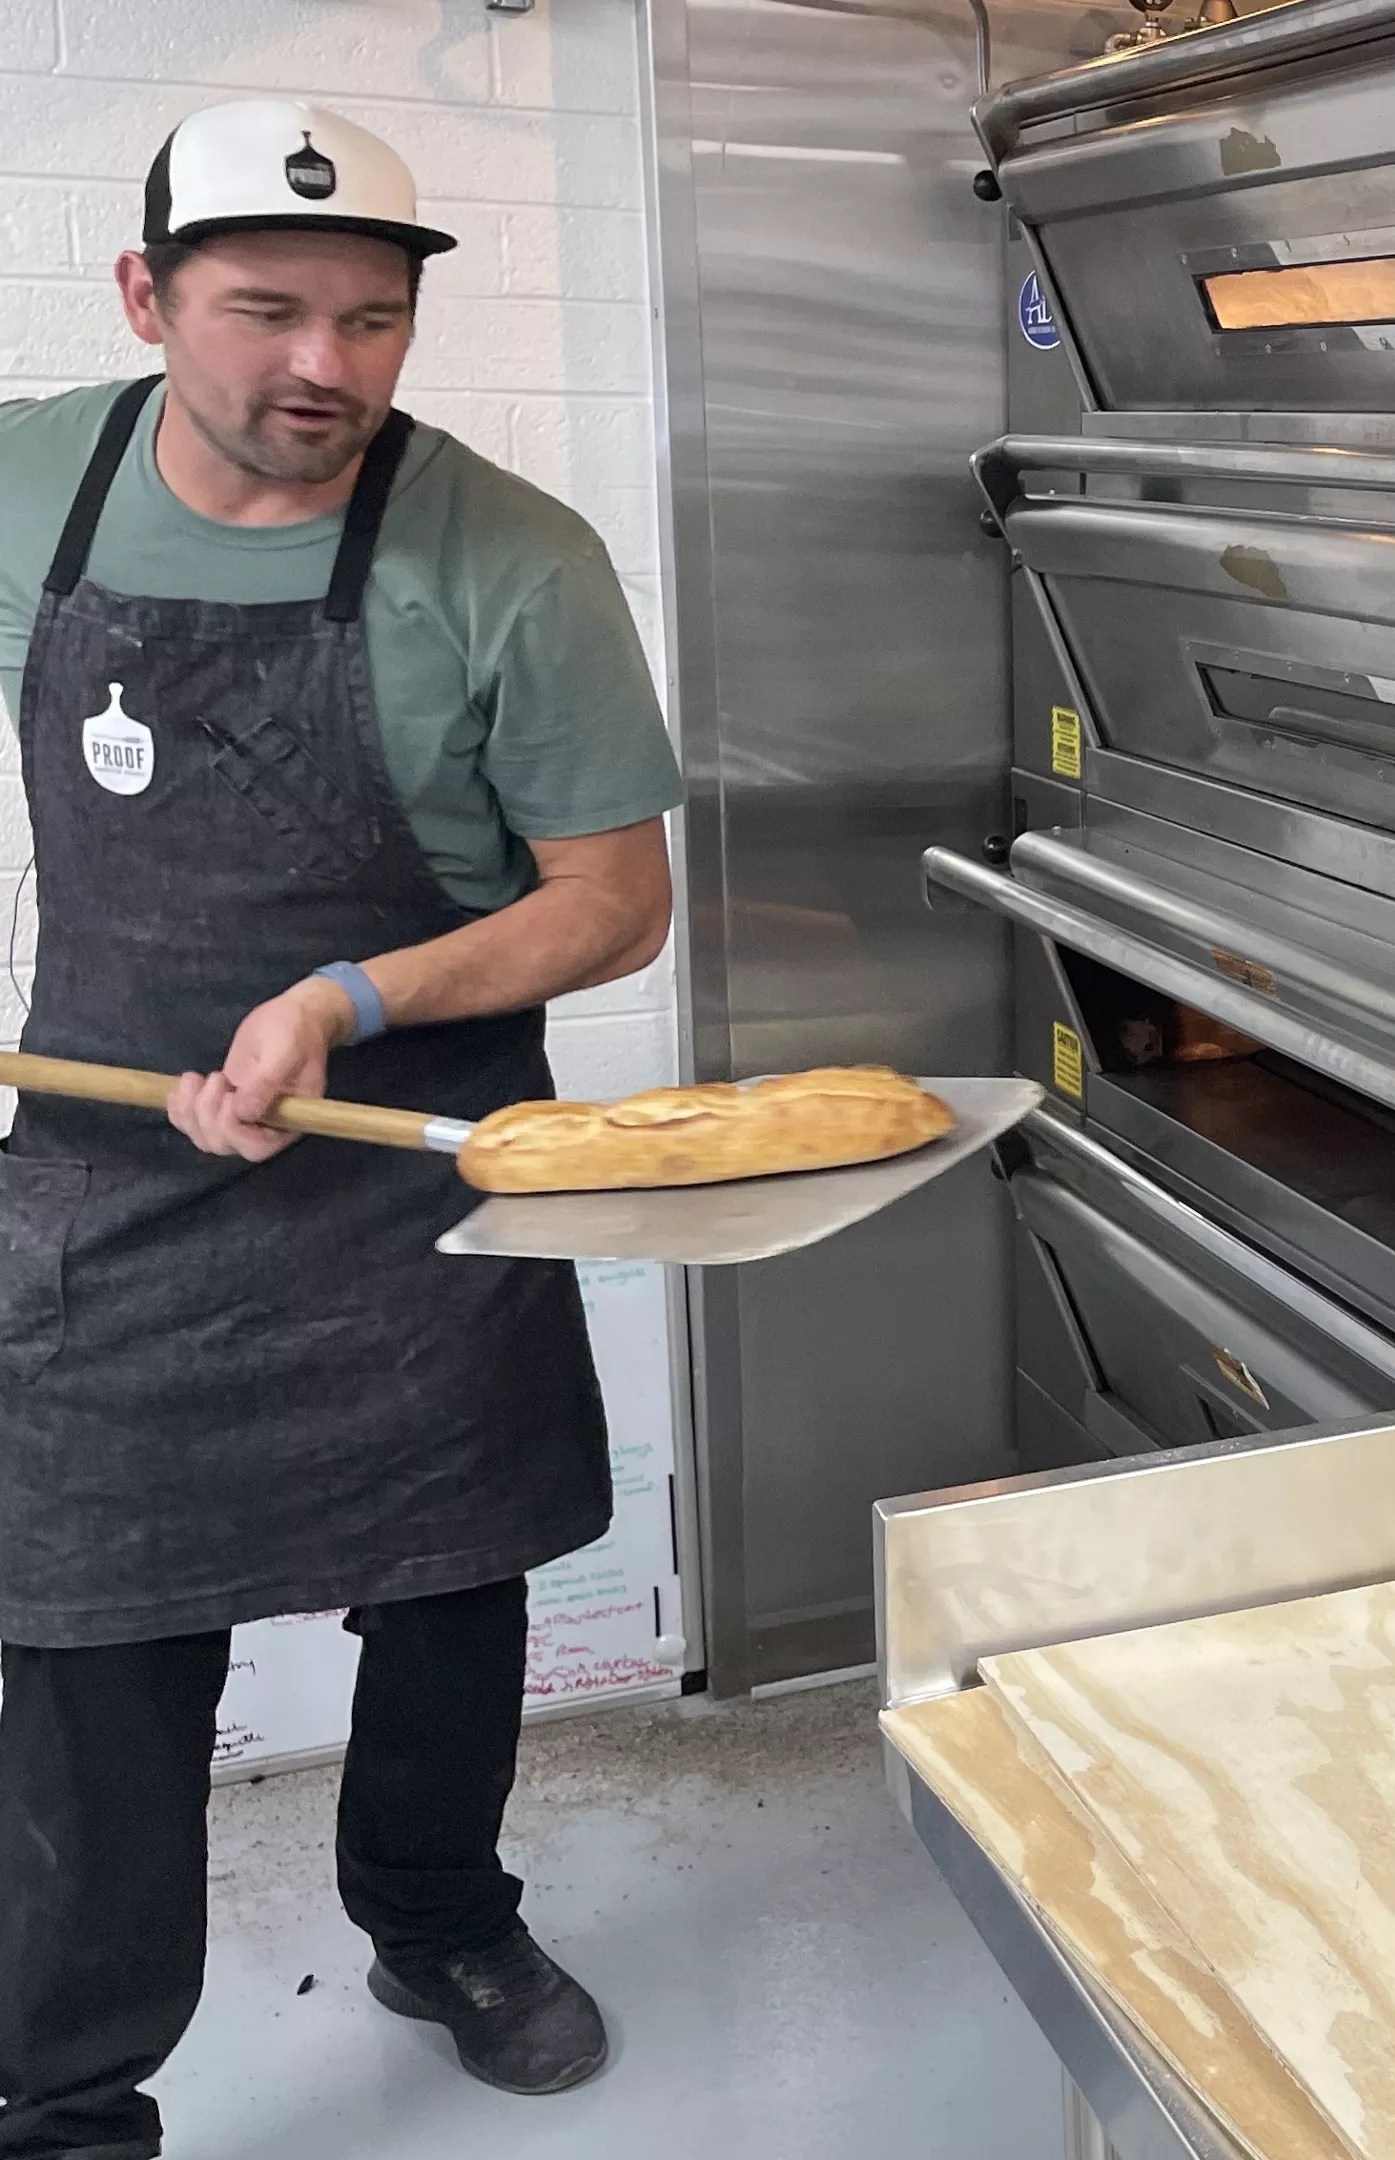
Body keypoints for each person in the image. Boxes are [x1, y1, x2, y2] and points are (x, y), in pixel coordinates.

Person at [0, 101, 683, 2156]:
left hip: (415, 1167)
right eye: (266, 310)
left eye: (372, 319)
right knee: (90, 1628)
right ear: (145, 296)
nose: (325, 364)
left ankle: (439, 1921)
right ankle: (62, 2089)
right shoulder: (33, 485)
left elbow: (612, 900)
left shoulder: (510, 559)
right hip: (110, 1171)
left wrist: (347, 999)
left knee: (452, 1585)